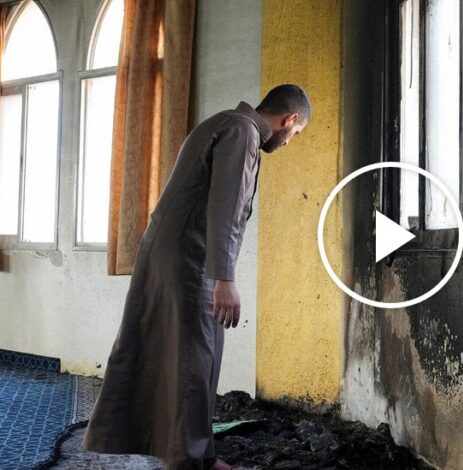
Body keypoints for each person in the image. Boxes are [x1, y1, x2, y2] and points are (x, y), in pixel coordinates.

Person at [82, 84, 311, 470]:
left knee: (192, 356)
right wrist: (225, 279)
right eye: (296, 133)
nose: (290, 141)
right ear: (289, 119)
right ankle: (189, 461)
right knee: (194, 359)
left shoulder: (225, 122)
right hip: (189, 257)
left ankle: (198, 454)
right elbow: (225, 209)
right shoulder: (242, 133)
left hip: (175, 251)